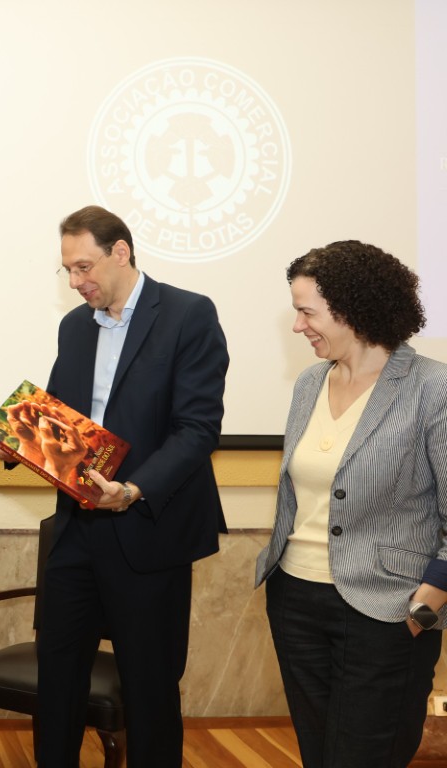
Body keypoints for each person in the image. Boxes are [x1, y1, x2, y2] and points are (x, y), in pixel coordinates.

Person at [32, 205, 229, 767]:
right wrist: (23, 440)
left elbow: (197, 429)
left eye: (84, 267)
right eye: (68, 270)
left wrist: (133, 490)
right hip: (76, 529)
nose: (76, 282)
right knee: (58, 678)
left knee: (150, 687)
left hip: (148, 528)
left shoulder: (188, 314)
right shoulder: (74, 327)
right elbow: (62, 417)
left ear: (121, 253)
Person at [254, 241, 447, 767]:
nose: (298, 326)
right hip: (295, 600)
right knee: (319, 754)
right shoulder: (309, 384)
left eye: (307, 312)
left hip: (387, 610)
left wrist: (424, 607)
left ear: (353, 309)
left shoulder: (432, 388)